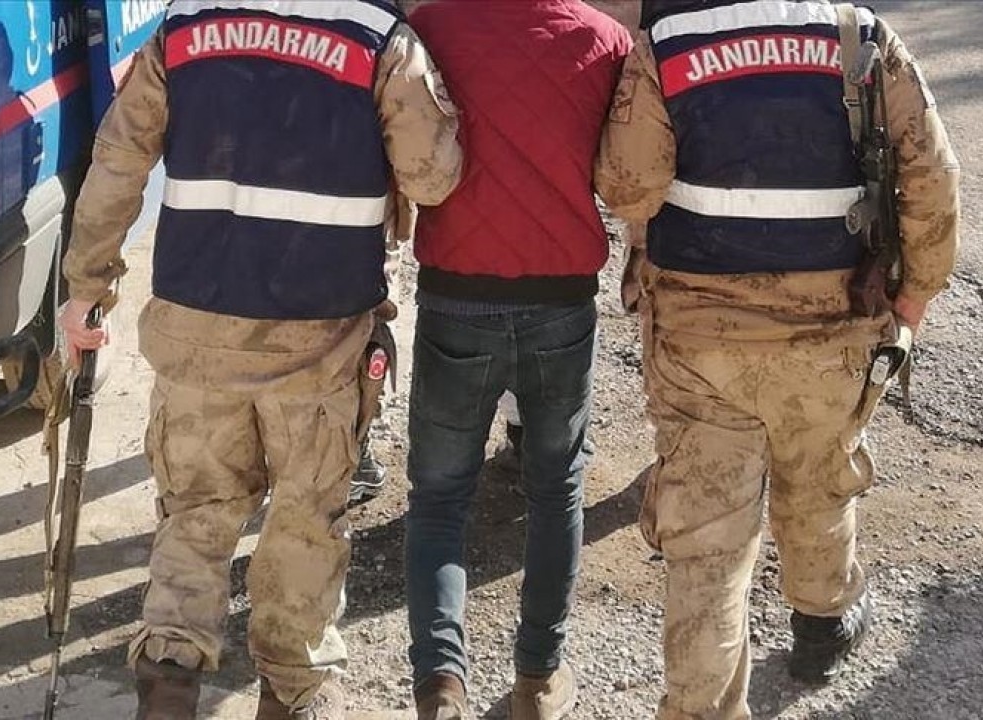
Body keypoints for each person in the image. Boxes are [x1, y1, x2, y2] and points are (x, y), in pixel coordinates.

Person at [59, 1, 462, 717]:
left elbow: (119, 159)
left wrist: (86, 286)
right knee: (305, 520)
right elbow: (432, 177)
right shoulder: (378, 38)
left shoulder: (185, 27)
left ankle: (169, 680)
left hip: (197, 328)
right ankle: (289, 691)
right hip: (318, 338)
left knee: (196, 511)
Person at [595, 1, 960, 718]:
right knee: (820, 480)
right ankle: (824, 622)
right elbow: (932, 179)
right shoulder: (861, 38)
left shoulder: (666, 48)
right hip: (833, 331)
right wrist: (914, 298)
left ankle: (700, 708)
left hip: (701, 346)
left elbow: (627, 185)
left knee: (707, 544)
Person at [401, 2, 630, 718]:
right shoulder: (603, 40)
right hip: (560, 296)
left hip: (455, 293)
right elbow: (624, 174)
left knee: (439, 497)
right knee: (556, 488)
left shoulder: (431, 29)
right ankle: (538, 678)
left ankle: (440, 683)